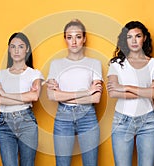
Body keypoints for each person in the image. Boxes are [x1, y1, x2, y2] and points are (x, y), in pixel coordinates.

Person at [46, 19, 103, 166]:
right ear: (65, 39)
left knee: (91, 163)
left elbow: (96, 98)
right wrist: (86, 92)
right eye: (69, 37)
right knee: (62, 163)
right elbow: (51, 95)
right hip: (63, 117)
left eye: (78, 37)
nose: (74, 41)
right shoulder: (56, 64)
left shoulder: (94, 63)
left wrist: (63, 95)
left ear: (84, 39)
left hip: (88, 116)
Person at [107, 21, 154, 166]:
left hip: (148, 122)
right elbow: (113, 92)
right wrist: (146, 90)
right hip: (121, 121)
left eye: (137, 36)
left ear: (144, 38)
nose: (134, 40)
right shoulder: (116, 64)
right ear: (124, 40)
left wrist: (125, 87)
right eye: (129, 37)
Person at [0, 32, 43, 166]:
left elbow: (33, 96)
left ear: (27, 49)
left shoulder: (34, 73)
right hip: (4, 124)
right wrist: (22, 97)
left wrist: (5, 94)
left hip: (26, 122)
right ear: (9, 49)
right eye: (13, 46)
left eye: (20, 46)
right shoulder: (1, 74)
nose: (16, 50)